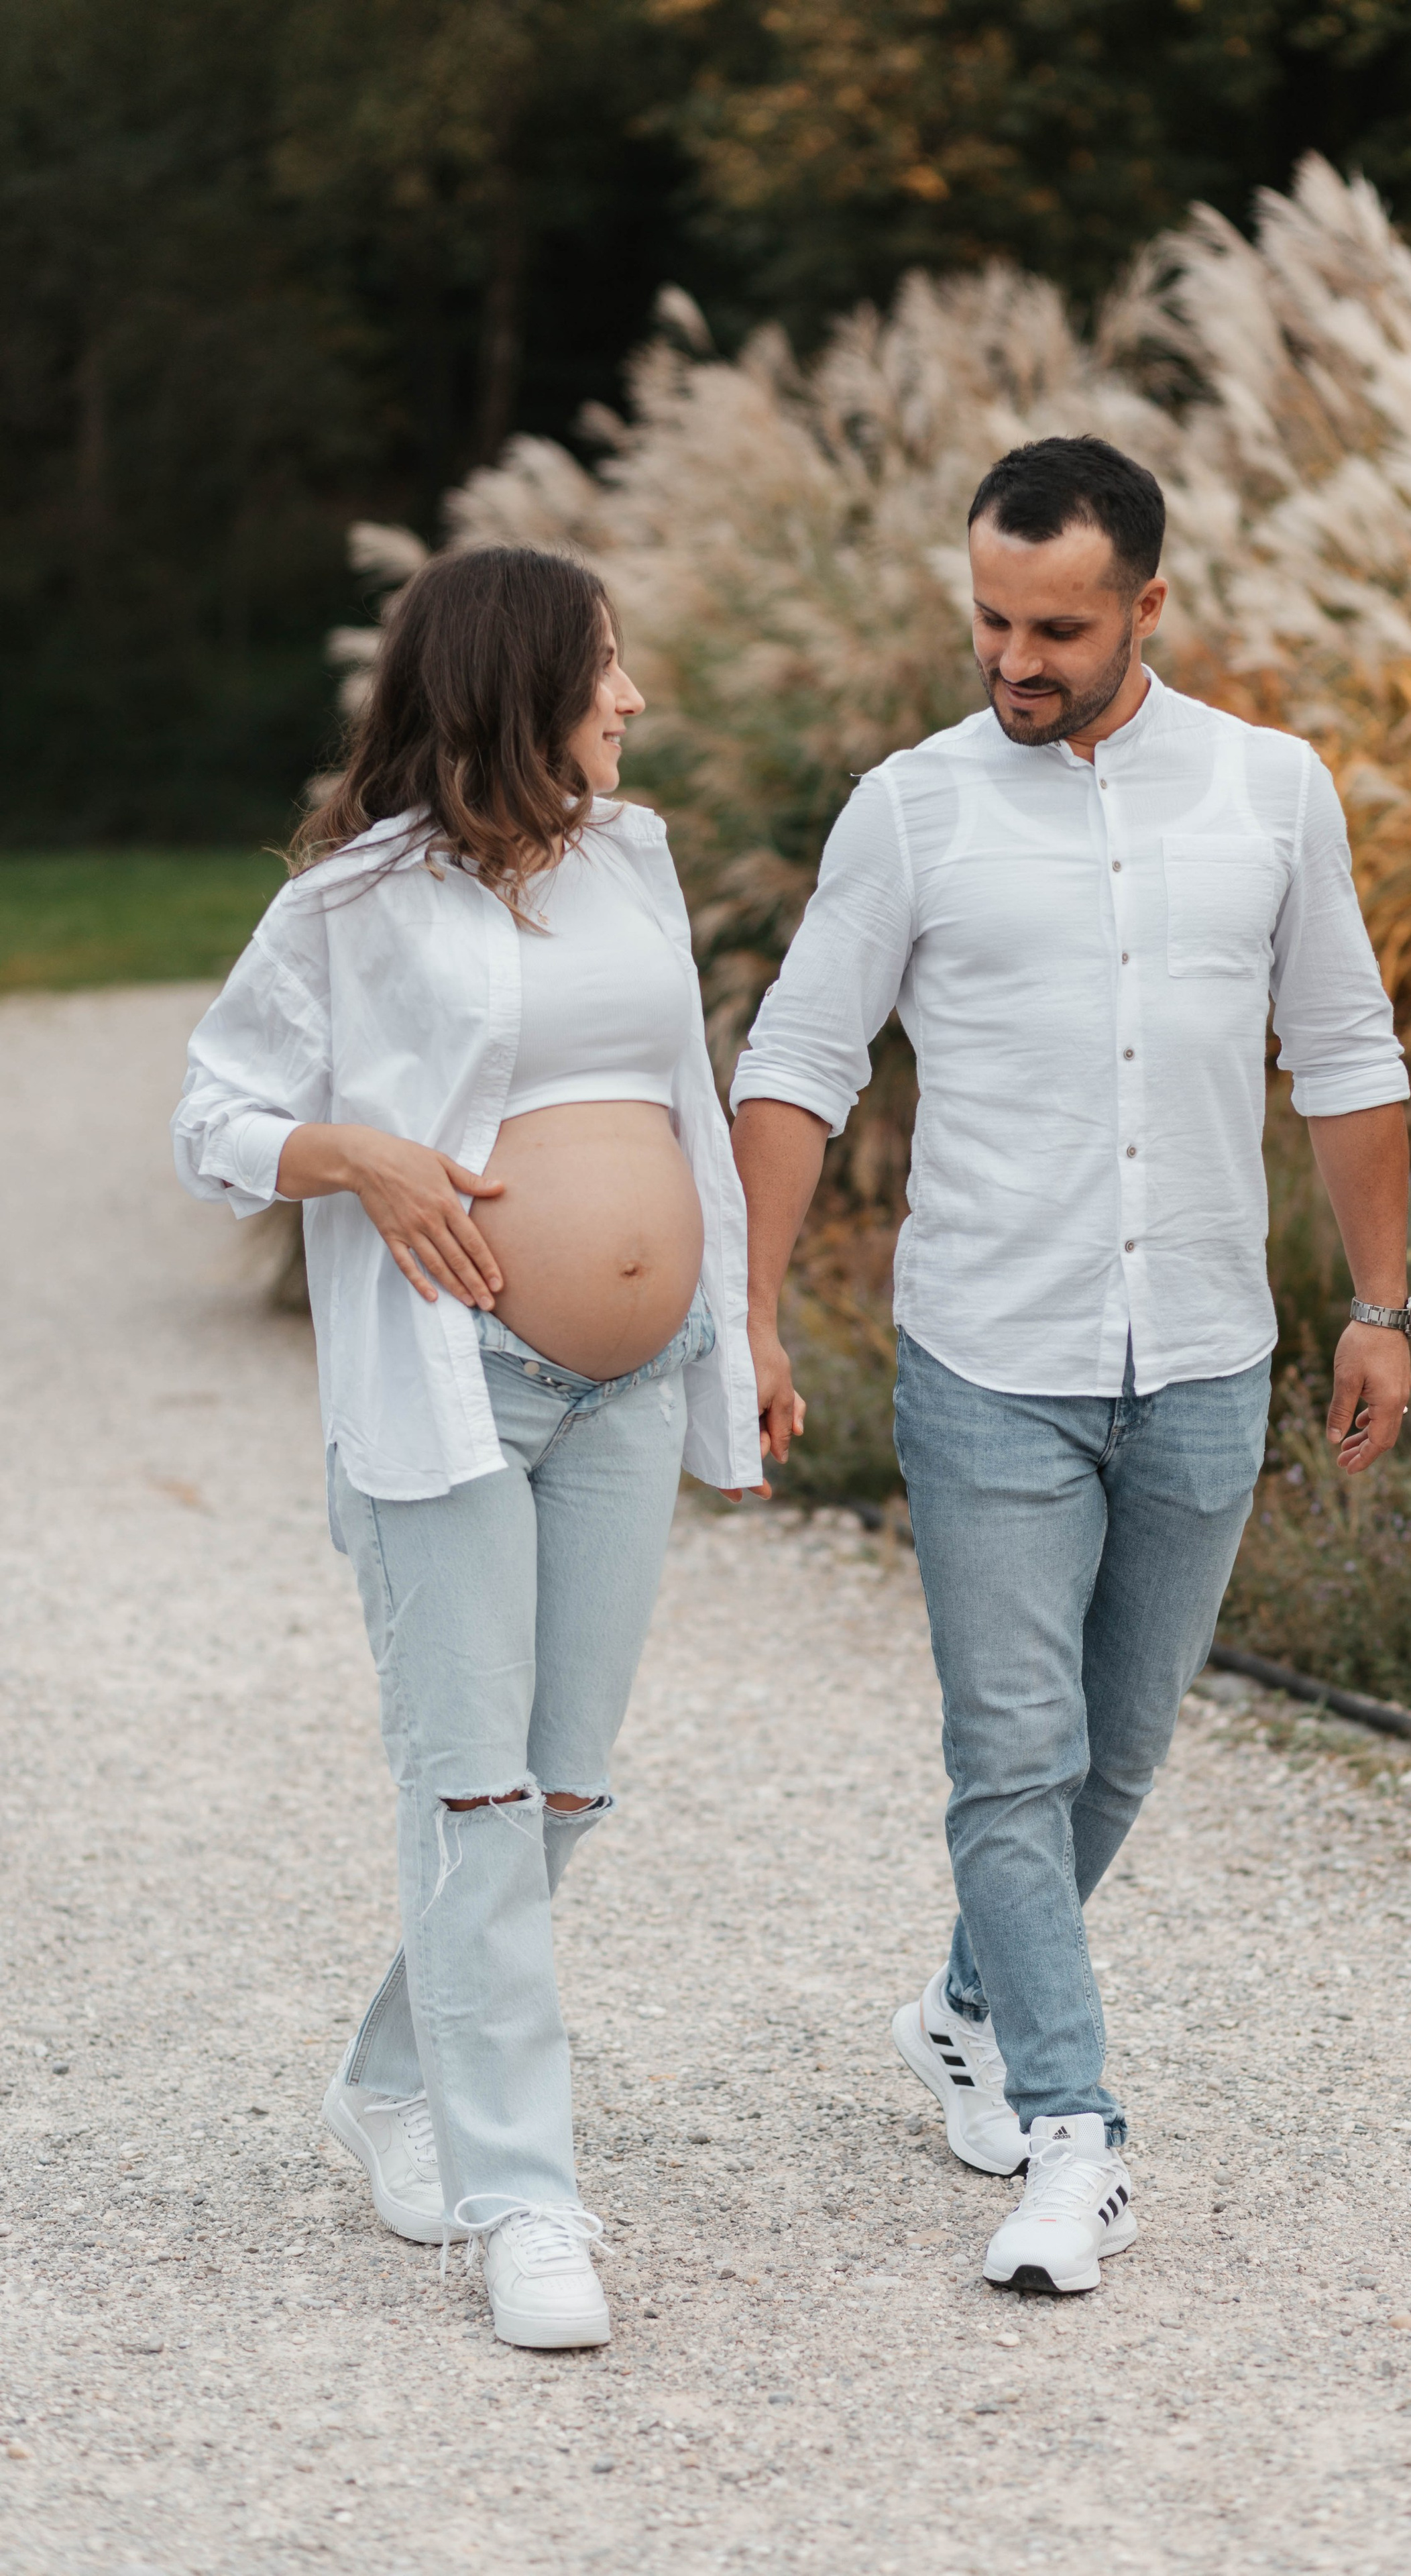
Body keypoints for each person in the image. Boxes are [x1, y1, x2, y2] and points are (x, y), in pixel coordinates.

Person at [730, 435, 1411, 2296]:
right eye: (991, 621)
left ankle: (962, 2007)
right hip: (991, 1358)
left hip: (1202, 1352)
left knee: (1116, 1758)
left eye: (1056, 627)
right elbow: (798, 1062)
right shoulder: (914, 807)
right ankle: (1075, 2132)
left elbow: (1344, 1050)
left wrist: (1382, 1300)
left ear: (1148, 608)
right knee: (1012, 1764)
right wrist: (756, 1307)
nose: (1014, 660)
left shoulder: (1274, 791)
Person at [173, 546, 776, 2349]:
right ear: (522, 682)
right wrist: (357, 1157)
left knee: (563, 1781)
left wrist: (733, 1328)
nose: (634, 697)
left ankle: (388, 2075)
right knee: (475, 1787)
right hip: (455, 1389)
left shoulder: (636, 857)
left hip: (629, 1385)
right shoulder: (353, 905)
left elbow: (685, 1109)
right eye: (607, 667)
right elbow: (212, 1111)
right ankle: (528, 2200)